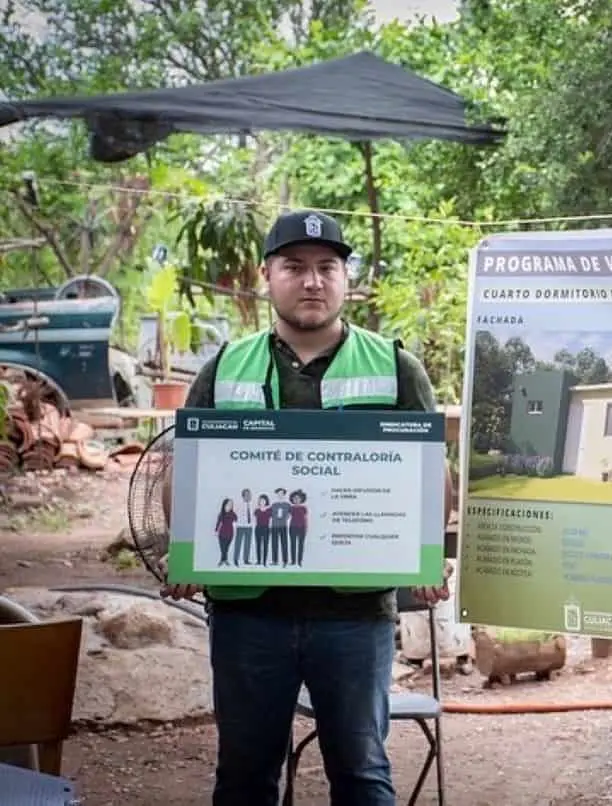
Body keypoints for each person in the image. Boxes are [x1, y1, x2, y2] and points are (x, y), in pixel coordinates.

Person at [160, 209, 455, 806]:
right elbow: (183, 470)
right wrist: (185, 550)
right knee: (244, 776)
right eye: (295, 267)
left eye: (327, 267)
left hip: (355, 617)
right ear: (266, 275)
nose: (312, 281)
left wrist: (428, 561)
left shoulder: (396, 368)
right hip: (248, 616)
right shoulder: (224, 368)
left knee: (362, 773)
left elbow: (432, 477)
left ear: (347, 279)